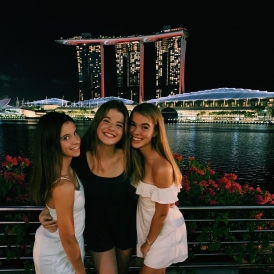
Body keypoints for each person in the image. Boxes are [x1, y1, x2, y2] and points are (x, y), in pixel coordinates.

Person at [39, 100, 137, 274]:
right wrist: (48, 209)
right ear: (97, 122)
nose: (111, 128)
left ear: (124, 130)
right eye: (106, 121)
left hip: (125, 228)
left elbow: (154, 178)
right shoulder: (78, 155)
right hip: (97, 231)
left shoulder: (132, 157)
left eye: (119, 124)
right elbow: (56, 179)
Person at [129, 103, 188, 274]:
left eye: (144, 127)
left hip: (163, 232)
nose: (136, 131)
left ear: (155, 132)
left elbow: (162, 213)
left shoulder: (161, 167)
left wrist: (148, 242)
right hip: (150, 228)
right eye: (133, 124)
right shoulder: (140, 159)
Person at [28, 112, 86, 274]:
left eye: (75, 133)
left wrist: (47, 211)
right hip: (58, 256)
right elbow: (68, 239)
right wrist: (82, 272)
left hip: (66, 251)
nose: (75, 140)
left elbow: (57, 204)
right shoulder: (63, 185)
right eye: (65, 137)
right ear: (52, 144)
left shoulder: (64, 170)